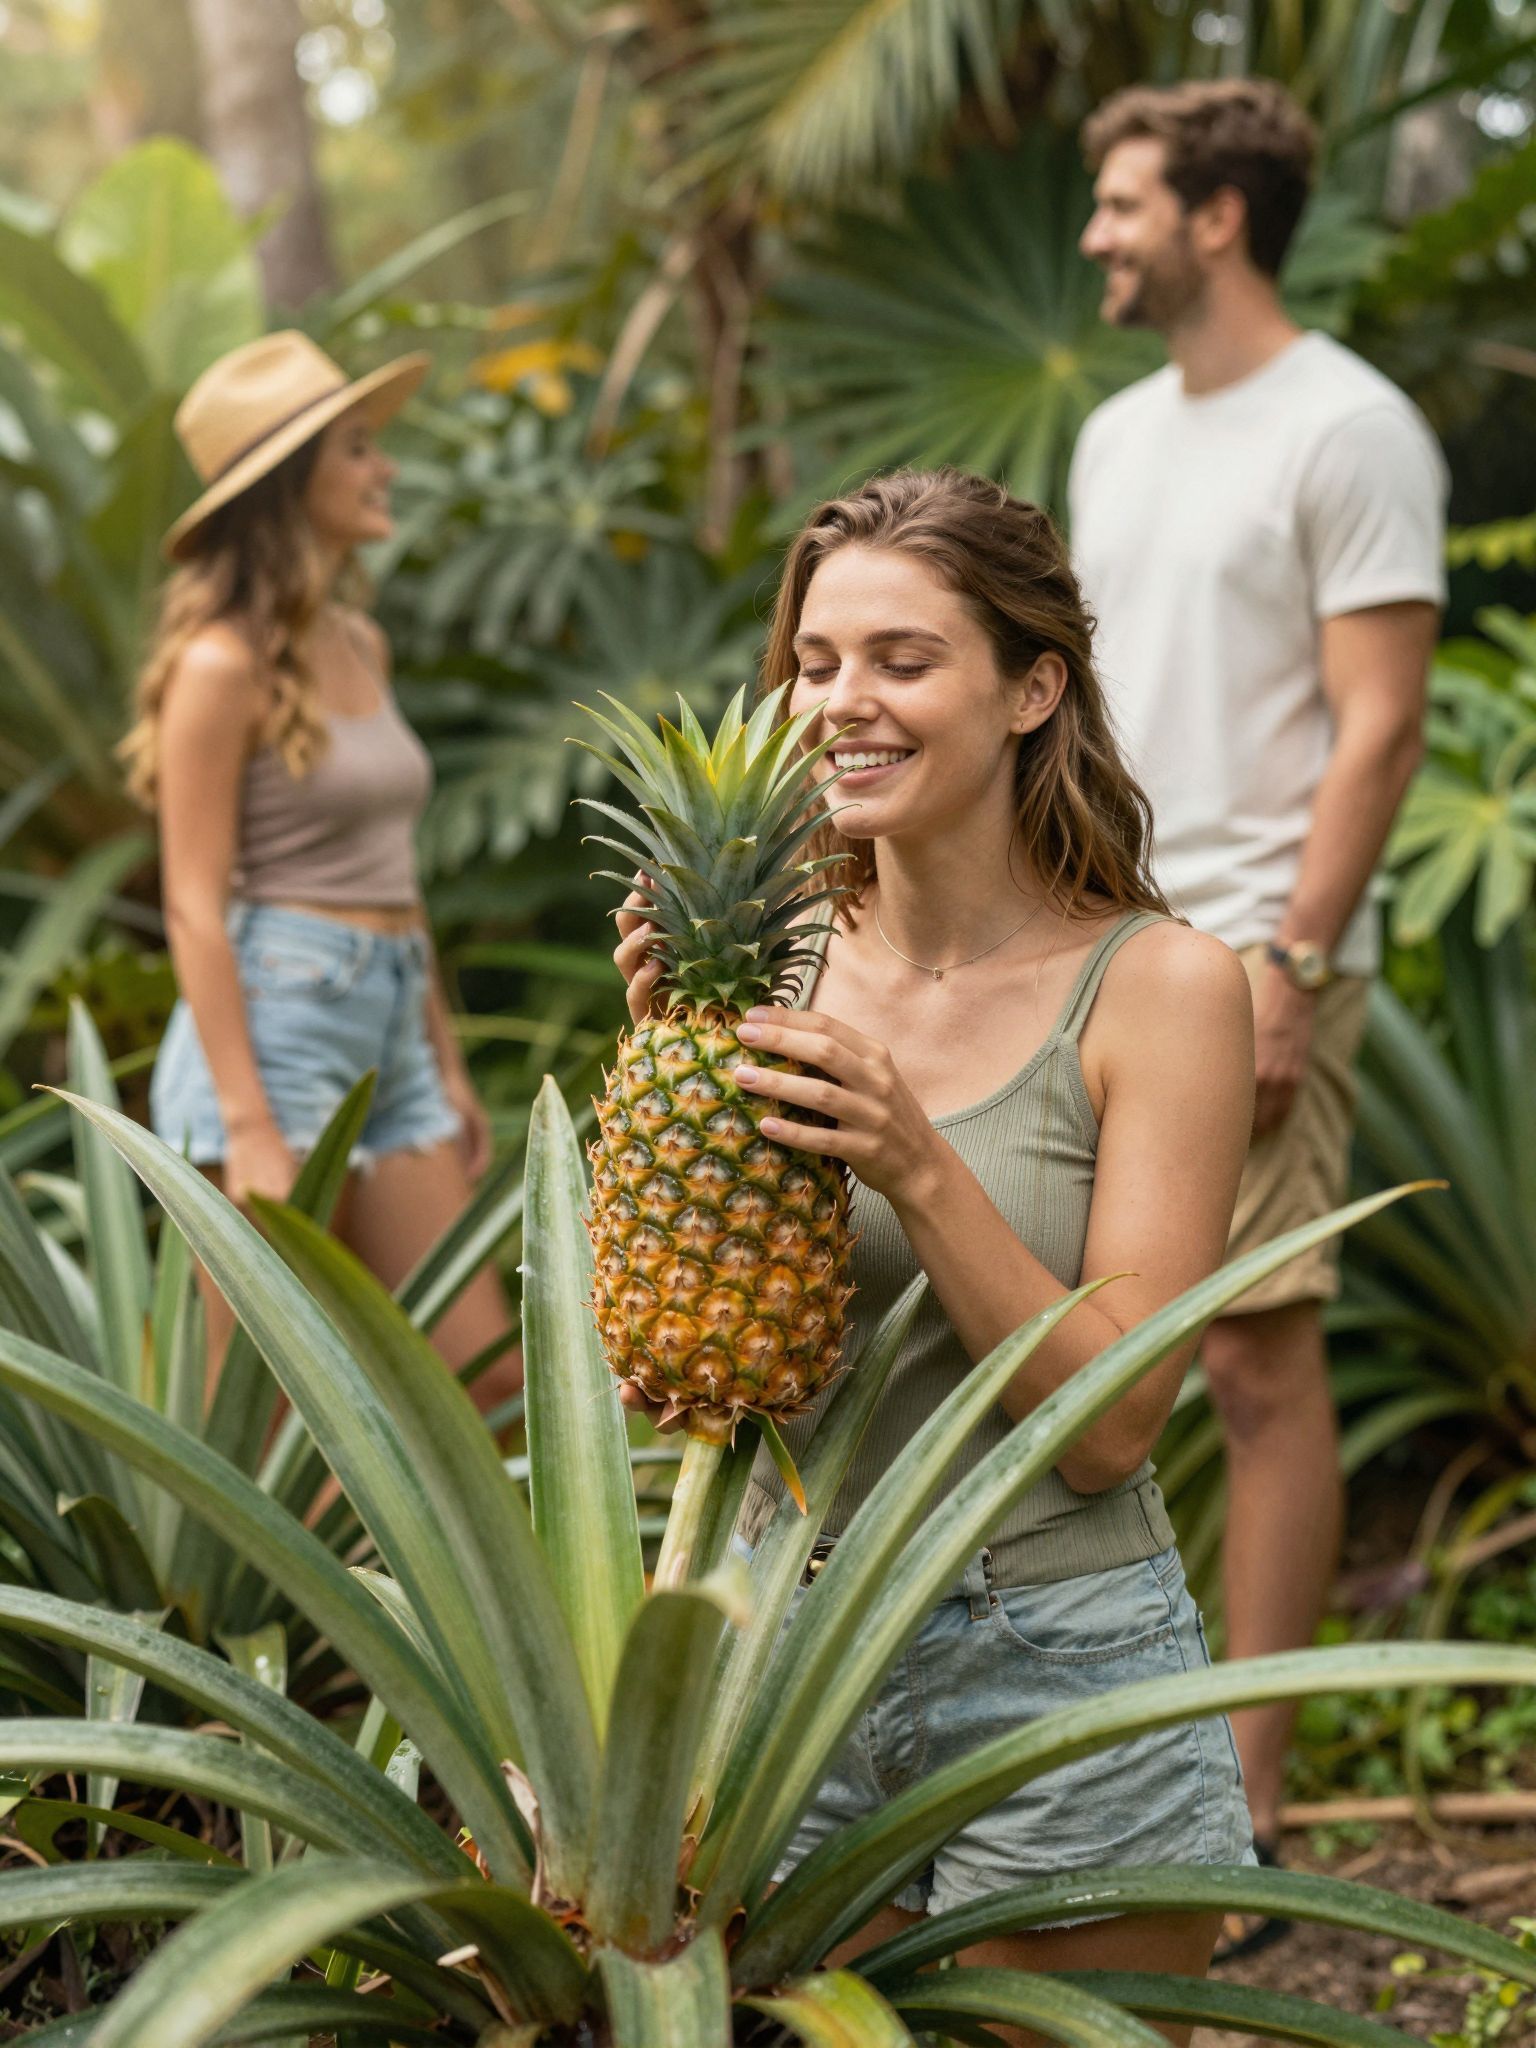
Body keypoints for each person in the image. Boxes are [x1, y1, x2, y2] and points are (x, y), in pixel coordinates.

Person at [615, 468, 1257, 2041]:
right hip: (780, 1646)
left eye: (904, 660)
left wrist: (915, 1156)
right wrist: (673, 1080)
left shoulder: (1163, 989)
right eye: (817, 662)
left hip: (1052, 1658)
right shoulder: (775, 962)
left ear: (1034, 688)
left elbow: (1110, 1428)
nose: (845, 704)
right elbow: (711, 1381)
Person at [1070, 78, 1446, 1952]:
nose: (1094, 237)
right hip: (1097, 947)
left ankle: (1250, 1803)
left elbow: (1378, 719)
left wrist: (1291, 957)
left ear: (1217, 217)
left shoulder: (1350, 425)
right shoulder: (1111, 437)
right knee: (1051, 1350)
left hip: (1259, 955)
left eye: (1123, 204)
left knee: (1251, 1361)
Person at [121, 330, 519, 1415]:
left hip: (389, 1008)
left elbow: (398, 880)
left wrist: (443, 1056)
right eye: (357, 448)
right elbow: (194, 907)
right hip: (276, 1030)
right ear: (291, 484)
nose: (383, 466)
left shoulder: (358, 640)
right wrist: (248, 1123)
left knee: (486, 1382)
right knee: (283, 1414)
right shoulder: (218, 666)